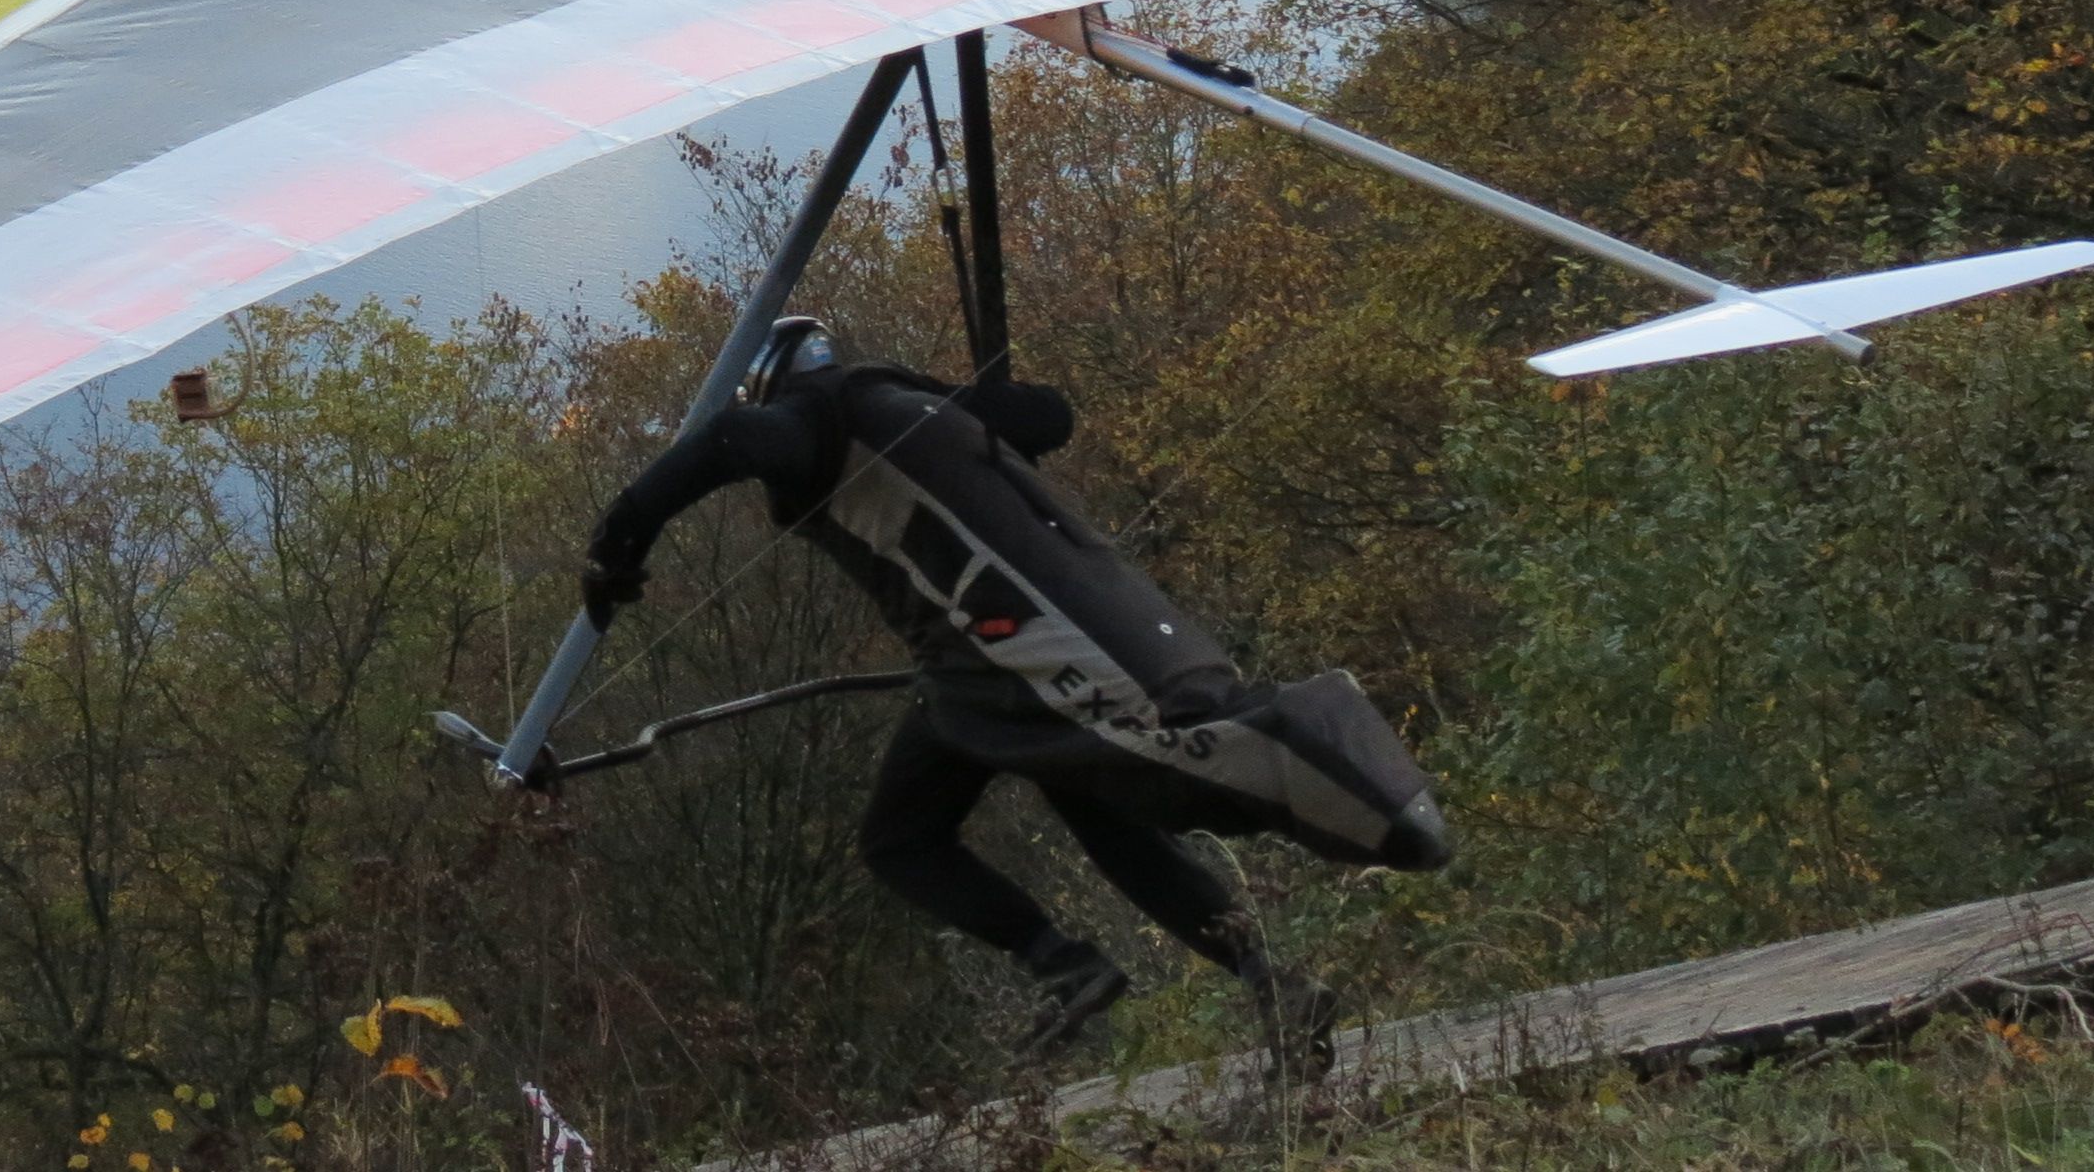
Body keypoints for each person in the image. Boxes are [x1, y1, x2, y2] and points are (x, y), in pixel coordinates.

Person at [579, 320, 1451, 1064]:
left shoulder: (821, 422)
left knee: (908, 840)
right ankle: (1263, 987)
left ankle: (1074, 962)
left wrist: (617, 547)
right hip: (987, 667)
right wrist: (980, 407)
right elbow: (1049, 415)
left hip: (1006, 659)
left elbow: (730, 446)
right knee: (1064, 808)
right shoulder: (915, 406)